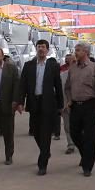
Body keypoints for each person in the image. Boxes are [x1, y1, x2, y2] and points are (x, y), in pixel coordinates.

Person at [17, 39, 63, 176]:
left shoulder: (53, 66)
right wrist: (20, 102)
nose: (41, 49)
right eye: (39, 47)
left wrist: (60, 105)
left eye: (43, 47)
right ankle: (46, 151)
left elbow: (58, 86)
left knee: (45, 133)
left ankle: (42, 164)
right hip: (33, 102)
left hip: (48, 103)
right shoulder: (28, 65)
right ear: (36, 49)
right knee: (36, 131)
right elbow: (22, 85)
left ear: (47, 50)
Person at [65, 42, 95, 177]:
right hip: (76, 106)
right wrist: (69, 100)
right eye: (75, 50)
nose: (75, 52)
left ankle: (87, 166)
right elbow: (67, 87)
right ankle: (85, 154)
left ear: (86, 52)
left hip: (90, 105)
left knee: (89, 136)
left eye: (78, 50)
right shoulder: (72, 68)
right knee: (74, 133)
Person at [59, 53, 76, 155]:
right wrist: (61, 105)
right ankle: (70, 144)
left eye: (74, 61)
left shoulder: (84, 75)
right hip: (66, 105)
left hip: (80, 105)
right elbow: (59, 91)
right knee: (67, 126)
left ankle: (81, 143)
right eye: (69, 61)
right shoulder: (62, 75)